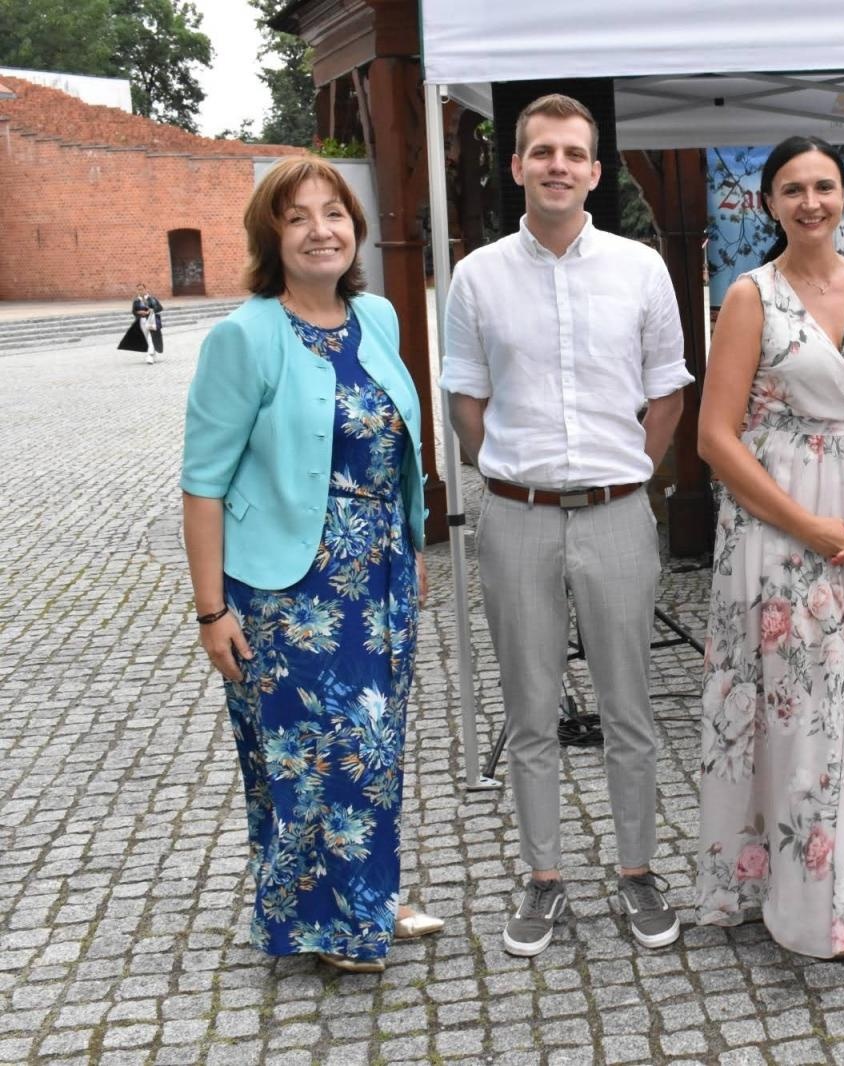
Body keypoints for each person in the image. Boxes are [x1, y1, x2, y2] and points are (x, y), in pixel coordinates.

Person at [441, 94, 692, 957]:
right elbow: (466, 400)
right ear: (517, 166)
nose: (558, 165)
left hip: (618, 513)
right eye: (542, 151)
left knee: (629, 707)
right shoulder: (477, 277)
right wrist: (510, 470)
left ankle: (637, 870)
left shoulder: (640, 269)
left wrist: (629, 472)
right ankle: (543, 877)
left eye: (574, 153)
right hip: (517, 517)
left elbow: (668, 392)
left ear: (595, 170)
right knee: (529, 709)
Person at [180, 156, 442, 975]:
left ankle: (367, 901)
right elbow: (202, 482)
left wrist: (410, 543)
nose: (320, 230)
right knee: (310, 753)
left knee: (373, 744)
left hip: (379, 573)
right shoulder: (245, 336)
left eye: (334, 213)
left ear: (353, 229)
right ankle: (331, 928)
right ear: (272, 237)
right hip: (289, 590)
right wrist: (211, 610)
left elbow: (398, 448)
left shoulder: (378, 317)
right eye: (297, 217)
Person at [694, 135, 844, 960]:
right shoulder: (750, 296)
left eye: (823, 186)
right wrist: (806, 525)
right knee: (791, 708)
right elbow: (715, 437)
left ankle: (827, 868)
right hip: (779, 530)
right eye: (792, 189)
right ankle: (800, 907)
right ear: (768, 203)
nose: (810, 202)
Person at [118, 283, 164, 364]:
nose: (140, 291)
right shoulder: (136, 301)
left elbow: (160, 308)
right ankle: (153, 355)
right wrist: (139, 312)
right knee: (146, 338)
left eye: (141, 289)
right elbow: (134, 311)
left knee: (151, 337)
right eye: (138, 290)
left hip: (151, 321)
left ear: (145, 289)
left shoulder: (152, 299)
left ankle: (150, 356)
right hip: (142, 321)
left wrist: (151, 310)